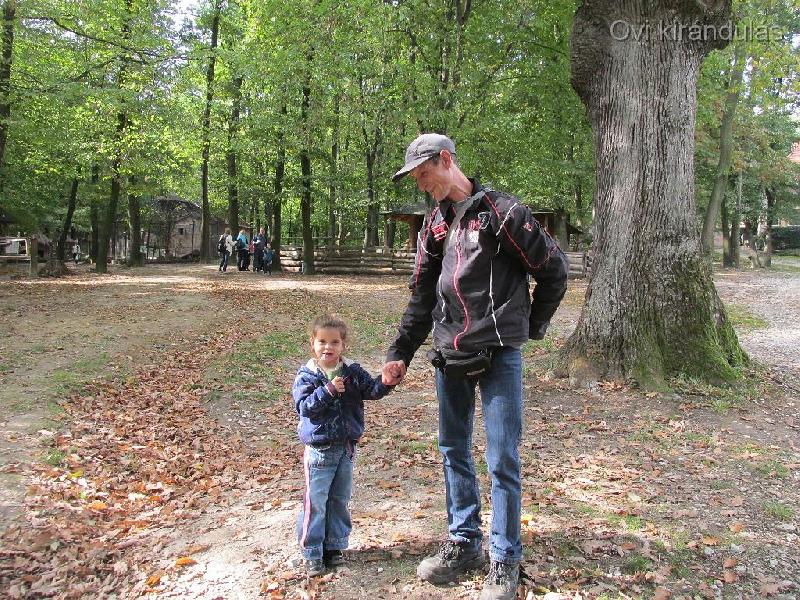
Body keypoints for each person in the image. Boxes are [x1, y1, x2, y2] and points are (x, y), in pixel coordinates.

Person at [381, 133, 569, 600]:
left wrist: (530, 326)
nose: (422, 185)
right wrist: (400, 352)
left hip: (500, 353)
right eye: (416, 179)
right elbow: (422, 296)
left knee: (502, 458)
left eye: (424, 174)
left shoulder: (503, 213)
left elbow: (553, 270)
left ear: (446, 160)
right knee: (453, 450)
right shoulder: (433, 226)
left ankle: (505, 559)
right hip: (449, 354)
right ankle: (465, 543)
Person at [293, 315, 395, 576]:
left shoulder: (351, 372)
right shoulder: (307, 375)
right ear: (313, 343)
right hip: (319, 450)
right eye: (322, 342)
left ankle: (334, 546)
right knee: (316, 502)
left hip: (346, 448)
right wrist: (327, 391)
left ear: (343, 345)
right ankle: (312, 551)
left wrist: (387, 381)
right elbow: (305, 408)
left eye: (334, 342)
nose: (328, 347)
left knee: (339, 499)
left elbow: (371, 390)